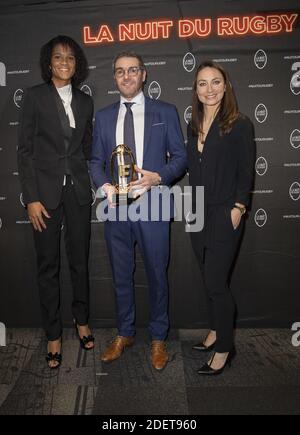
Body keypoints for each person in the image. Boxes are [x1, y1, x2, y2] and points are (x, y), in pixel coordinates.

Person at [90, 51, 187, 371]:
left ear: (144, 75)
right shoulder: (103, 116)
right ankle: (125, 333)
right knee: (121, 275)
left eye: (133, 71)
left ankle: (158, 337)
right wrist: (104, 186)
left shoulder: (166, 111)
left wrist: (159, 176)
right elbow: (94, 161)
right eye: (120, 71)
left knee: (158, 274)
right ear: (115, 77)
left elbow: (181, 158)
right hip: (115, 208)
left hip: (154, 203)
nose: (127, 76)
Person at [18, 35, 95, 369]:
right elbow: (25, 152)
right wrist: (32, 198)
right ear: (49, 63)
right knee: (48, 265)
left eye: (71, 58)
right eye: (58, 57)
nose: (65, 62)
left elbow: (87, 148)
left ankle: (81, 320)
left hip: (77, 191)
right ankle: (52, 333)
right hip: (44, 196)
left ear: (77, 64)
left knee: (79, 260)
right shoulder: (34, 98)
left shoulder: (84, 101)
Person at [187, 60, 255, 375]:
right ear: (196, 90)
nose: (210, 89)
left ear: (225, 86)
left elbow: (246, 173)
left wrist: (238, 209)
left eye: (216, 82)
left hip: (224, 211)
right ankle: (215, 330)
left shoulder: (239, 123)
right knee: (206, 278)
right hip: (196, 211)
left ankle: (225, 348)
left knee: (216, 282)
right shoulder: (193, 124)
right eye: (203, 83)